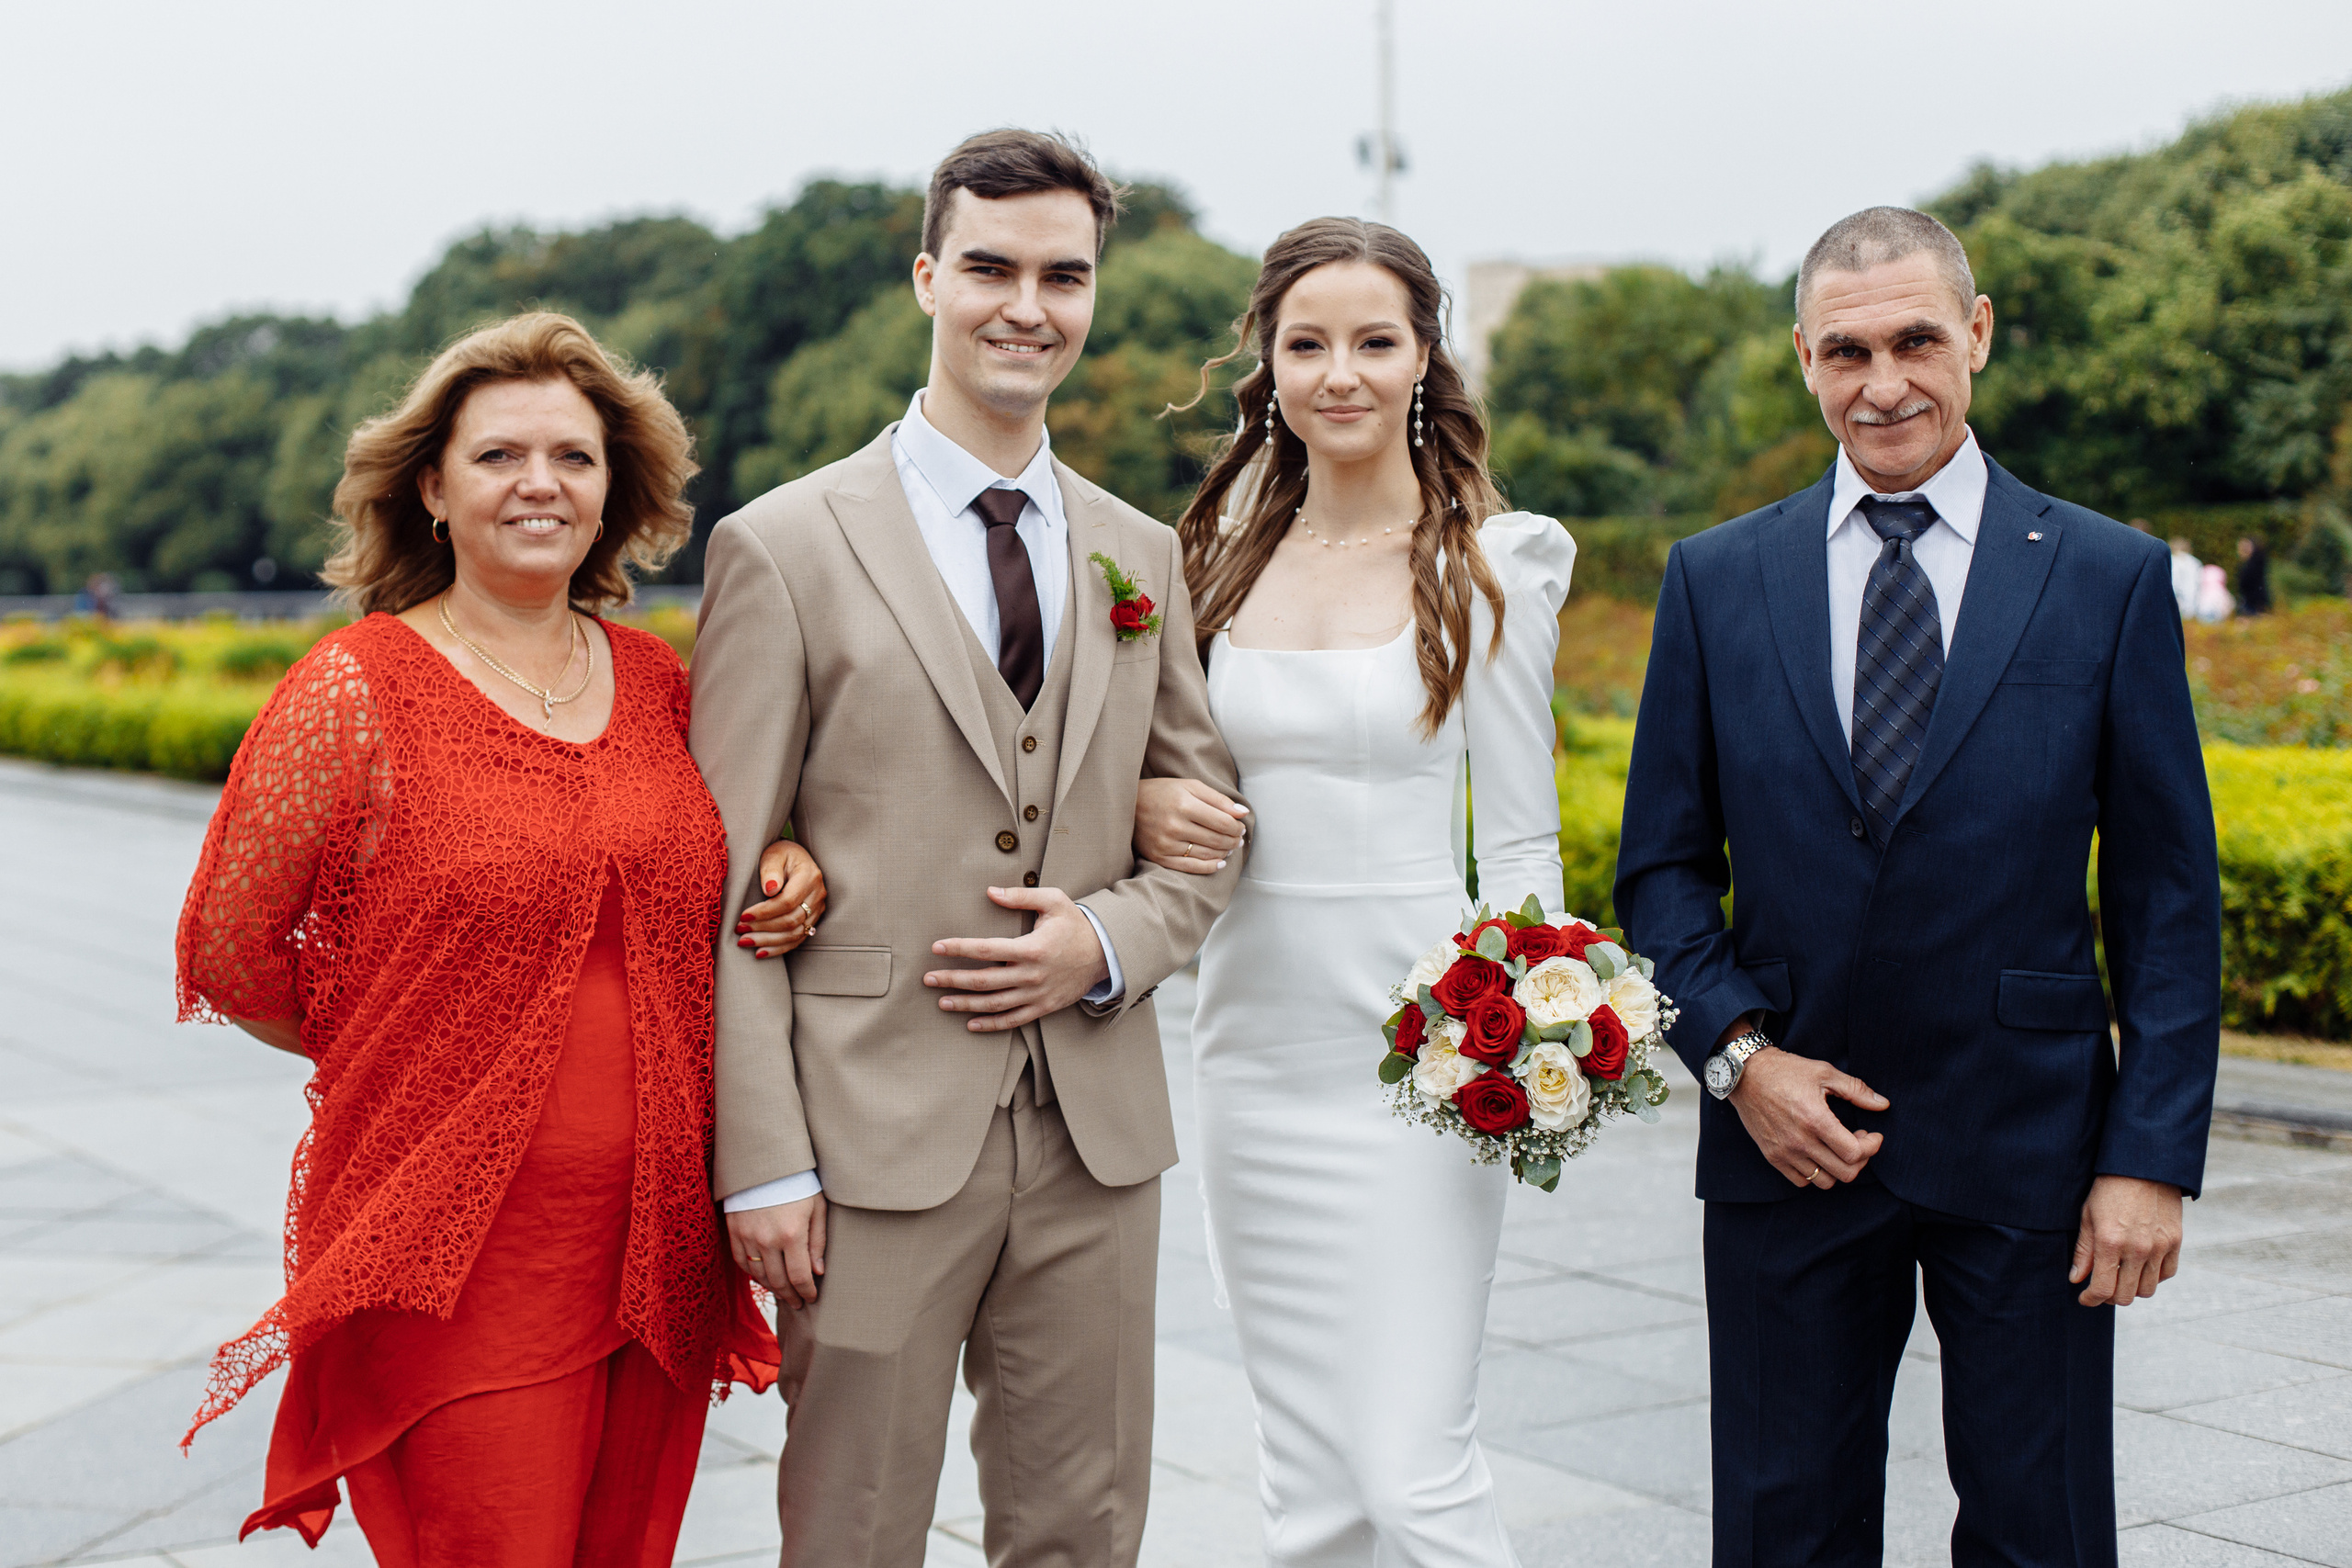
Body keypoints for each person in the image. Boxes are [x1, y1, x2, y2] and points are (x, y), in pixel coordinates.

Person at [1615, 208, 2220, 1568]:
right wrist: (1739, 1061)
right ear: (1804, 359)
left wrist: (2148, 1155)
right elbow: (1659, 869)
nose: (1882, 382)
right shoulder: (1717, 579)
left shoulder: (2110, 576)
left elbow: (2169, 893)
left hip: (2035, 1147)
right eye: (1847, 350)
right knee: (1783, 1530)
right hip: (1785, 1138)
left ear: (1980, 335)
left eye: (1915, 341)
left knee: (2040, 1530)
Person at [175, 311, 823, 1566]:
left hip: (659, 1238)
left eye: (575, 458)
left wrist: (789, 858)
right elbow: (230, 952)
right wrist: (427, 1043)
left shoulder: (661, 684)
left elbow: (718, 864)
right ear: (430, 484)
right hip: (461, 1254)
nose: (541, 483)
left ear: (612, 491)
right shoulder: (353, 688)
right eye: (499, 455)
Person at [690, 130, 1243, 1568]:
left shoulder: (1142, 554)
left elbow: (1201, 834)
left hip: (1094, 1138)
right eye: (991, 266)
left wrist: (1109, 938)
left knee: (1084, 1528)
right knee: (854, 1530)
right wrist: (761, 1167)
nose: (1028, 305)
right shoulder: (785, 546)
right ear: (928, 275)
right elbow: (722, 875)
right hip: (865, 1135)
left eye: (1065, 275)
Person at [1134, 217, 1574, 1565]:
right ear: (1265, 360)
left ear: (1424, 358)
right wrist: (1148, 803)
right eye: (1307, 342)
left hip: (1423, 1063)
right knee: (1310, 1485)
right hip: (1254, 1060)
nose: (1341, 373)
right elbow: (1142, 782)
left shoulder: (1491, 563)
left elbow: (1520, 848)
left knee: (1413, 1471)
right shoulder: (1206, 566)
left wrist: (1541, 1031)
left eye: (1374, 341)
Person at [2235, 536, 2271, 615]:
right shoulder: (2249, 564)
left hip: (2254, 603)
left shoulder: (2255, 563)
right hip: (2253, 601)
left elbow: (2246, 583)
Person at [2168, 535, 2202, 620]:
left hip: (2176, 598)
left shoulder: (2172, 560)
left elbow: (2174, 583)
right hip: (2194, 600)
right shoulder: (2195, 562)